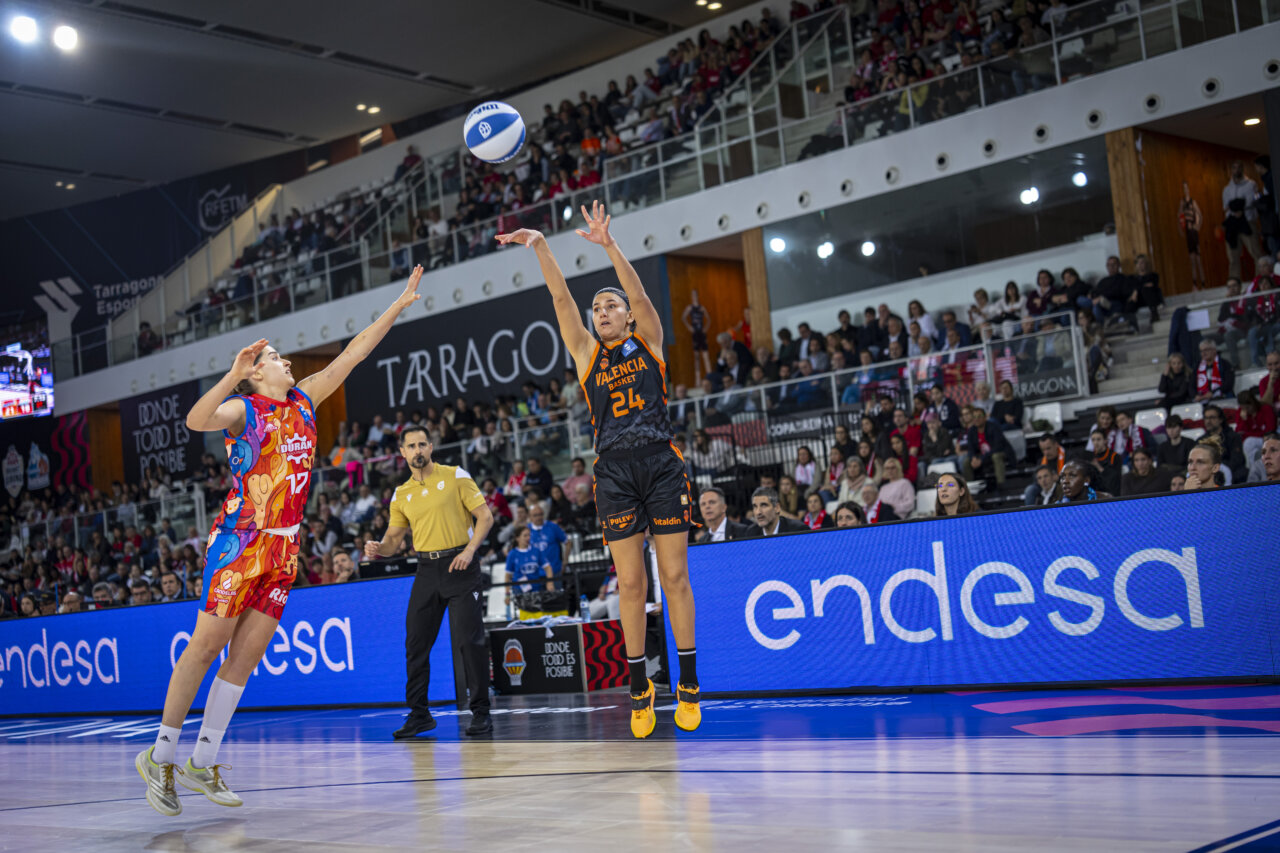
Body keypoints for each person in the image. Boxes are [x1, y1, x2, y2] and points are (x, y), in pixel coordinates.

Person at [137, 268, 425, 817]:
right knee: (205, 646)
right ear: (256, 373)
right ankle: (161, 756)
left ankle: (203, 760)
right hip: (239, 541)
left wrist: (398, 304)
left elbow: (354, 355)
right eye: (276, 358)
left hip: (285, 546)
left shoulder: (304, 401)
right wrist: (231, 374)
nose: (287, 361)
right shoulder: (243, 409)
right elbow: (196, 419)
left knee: (243, 660)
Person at [496, 202, 701, 738]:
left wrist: (610, 247)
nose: (603, 311)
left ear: (628, 315)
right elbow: (561, 297)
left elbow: (638, 294)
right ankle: (640, 689)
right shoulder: (587, 355)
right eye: (598, 307)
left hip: (660, 463)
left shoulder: (649, 340)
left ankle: (690, 683)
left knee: (674, 576)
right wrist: (540, 245)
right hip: (613, 472)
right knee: (631, 585)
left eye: (611, 305)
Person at [366, 424, 495, 739]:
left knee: (469, 641)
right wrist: (378, 549)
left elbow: (486, 517)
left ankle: (480, 712)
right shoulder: (401, 494)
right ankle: (419, 714)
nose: (417, 450)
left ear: (431, 446)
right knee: (415, 643)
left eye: (422, 444)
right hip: (426, 570)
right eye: (411, 446)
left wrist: (469, 550)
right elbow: (394, 539)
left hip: (460, 566)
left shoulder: (455, 476)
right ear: (402, 452)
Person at [1222, 160, 1262, 279]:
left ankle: (1259, 281)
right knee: (1233, 257)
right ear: (1231, 170)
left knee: (1256, 252)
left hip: (1247, 221)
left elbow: (1252, 201)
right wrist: (1235, 207)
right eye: (1234, 167)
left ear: (1242, 169)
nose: (1236, 170)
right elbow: (1226, 207)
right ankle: (1234, 284)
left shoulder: (1251, 184)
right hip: (1232, 224)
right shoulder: (1227, 189)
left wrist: (1240, 207)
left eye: (1239, 167)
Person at [743, 487, 810, 537]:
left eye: (764, 505)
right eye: (755, 507)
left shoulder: (798, 530)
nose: (758, 512)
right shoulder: (751, 533)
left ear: (777, 508)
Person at [1178, 180, 1206, 291]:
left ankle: (1203, 283)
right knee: (1192, 260)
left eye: (1187, 188)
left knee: (1198, 259)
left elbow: (1199, 214)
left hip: (1194, 232)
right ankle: (1195, 284)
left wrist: (1197, 225)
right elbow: (1179, 215)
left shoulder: (1193, 202)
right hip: (1189, 233)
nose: (1186, 190)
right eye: (1184, 188)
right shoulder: (1182, 203)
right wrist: (1181, 228)